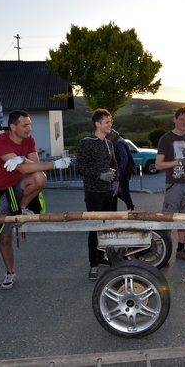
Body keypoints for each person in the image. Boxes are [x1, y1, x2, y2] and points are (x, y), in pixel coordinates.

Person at [0, 109, 71, 289]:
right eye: (25, 125)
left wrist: (22, 158)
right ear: (13, 127)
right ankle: (10, 272)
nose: (29, 129)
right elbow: (24, 169)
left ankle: (21, 208)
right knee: (5, 237)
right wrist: (55, 164)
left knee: (40, 177)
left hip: (19, 187)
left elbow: (34, 167)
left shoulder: (29, 140)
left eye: (30, 124)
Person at [155, 107, 185, 262]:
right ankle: (164, 254)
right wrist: (179, 162)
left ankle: (181, 250)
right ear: (175, 120)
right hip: (174, 185)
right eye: (181, 119)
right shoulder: (166, 139)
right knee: (168, 219)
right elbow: (158, 165)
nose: (184, 122)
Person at [76, 109, 119, 280]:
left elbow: (114, 165)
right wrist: (99, 175)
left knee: (106, 227)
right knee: (94, 229)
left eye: (110, 122)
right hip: (93, 192)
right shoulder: (86, 143)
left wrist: (115, 181)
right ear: (98, 124)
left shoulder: (109, 144)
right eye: (107, 122)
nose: (110, 125)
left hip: (107, 192)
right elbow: (79, 167)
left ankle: (102, 257)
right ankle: (93, 265)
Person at [106, 129, 136, 211]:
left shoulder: (119, 143)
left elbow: (124, 159)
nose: (107, 140)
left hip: (123, 172)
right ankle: (125, 207)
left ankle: (130, 209)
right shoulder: (118, 141)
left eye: (107, 138)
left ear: (112, 136)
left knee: (122, 191)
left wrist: (120, 171)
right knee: (114, 190)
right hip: (120, 171)